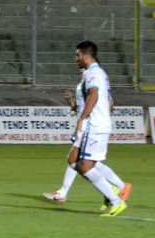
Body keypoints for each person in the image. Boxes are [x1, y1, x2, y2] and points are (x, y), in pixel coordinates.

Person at [43, 69, 132, 209]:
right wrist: (71, 102)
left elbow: (108, 105)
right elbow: (81, 107)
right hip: (84, 122)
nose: (80, 67)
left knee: (76, 160)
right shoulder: (84, 83)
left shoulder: (95, 82)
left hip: (89, 125)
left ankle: (64, 192)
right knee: (84, 161)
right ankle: (118, 187)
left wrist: (93, 118)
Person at [67, 41, 129, 217]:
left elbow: (94, 95)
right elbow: (108, 103)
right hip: (97, 124)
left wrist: (82, 118)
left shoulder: (93, 73)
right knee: (73, 160)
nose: (76, 59)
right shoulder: (99, 73)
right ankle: (112, 192)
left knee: (85, 166)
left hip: (95, 126)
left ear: (86, 56)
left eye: (78, 55)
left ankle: (115, 199)